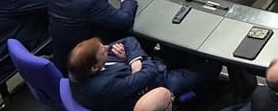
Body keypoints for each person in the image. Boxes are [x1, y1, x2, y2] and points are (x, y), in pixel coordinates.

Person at [67, 36, 204, 111]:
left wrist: (132, 60)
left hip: (148, 67)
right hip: (155, 86)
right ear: (95, 67)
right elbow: (149, 74)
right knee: (208, 69)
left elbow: (128, 40)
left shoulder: (81, 66)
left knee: (176, 41)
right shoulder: (102, 86)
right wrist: (134, 62)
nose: (107, 47)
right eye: (103, 52)